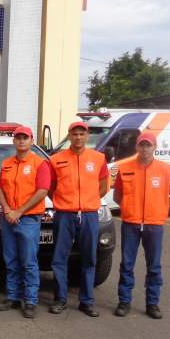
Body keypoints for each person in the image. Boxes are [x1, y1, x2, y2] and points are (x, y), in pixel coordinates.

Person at [113, 132, 170, 319]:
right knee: (127, 264)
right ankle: (124, 301)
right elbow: (118, 196)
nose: (144, 148)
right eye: (141, 145)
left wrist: (160, 208)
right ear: (136, 147)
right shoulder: (124, 168)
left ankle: (152, 303)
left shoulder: (165, 170)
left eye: (148, 145)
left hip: (154, 225)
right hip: (131, 224)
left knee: (154, 266)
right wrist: (129, 208)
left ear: (155, 147)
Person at [48, 121, 110, 317]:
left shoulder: (98, 158)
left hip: (89, 214)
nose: (78, 137)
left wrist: (90, 201)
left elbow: (103, 186)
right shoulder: (56, 159)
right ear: (69, 135)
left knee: (89, 258)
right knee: (59, 258)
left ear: (87, 135)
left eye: (81, 134)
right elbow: (50, 187)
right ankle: (60, 299)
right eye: (74, 134)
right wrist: (63, 201)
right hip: (64, 214)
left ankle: (87, 301)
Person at [0, 126, 51, 319]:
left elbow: (42, 191)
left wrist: (19, 211)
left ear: (31, 140)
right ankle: (12, 296)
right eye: (18, 138)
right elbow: (0, 189)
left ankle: (30, 301)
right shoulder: (6, 163)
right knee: (11, 260)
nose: (21, 141)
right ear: (14, 141)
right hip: (8, 218)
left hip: (28, 219)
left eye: (25, 138)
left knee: (28, 262)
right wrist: (8, 210)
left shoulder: (40, 163)